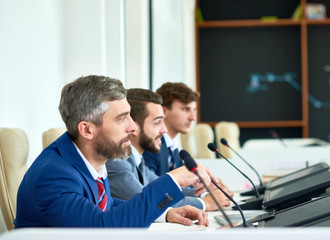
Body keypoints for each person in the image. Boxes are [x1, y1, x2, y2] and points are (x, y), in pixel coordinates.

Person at [14, 75, 216, 228]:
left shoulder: (88, 160)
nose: (133, 127)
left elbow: (108, 205)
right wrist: (173, 180)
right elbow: (103, 227)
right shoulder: (53, 175)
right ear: (86, 129)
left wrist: (166, 213)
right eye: (122, 118)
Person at [106, 88, 231, 211]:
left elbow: (159, 188)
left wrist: (206, 194)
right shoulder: (116, 161)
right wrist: (204, 203)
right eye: (157, 122)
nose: (164, 130)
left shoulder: (137, 159)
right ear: (134, 126)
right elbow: (145, 201)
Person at [142, 82, 199, 176]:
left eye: (194, 110)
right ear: (164, 111)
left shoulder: (173, 148)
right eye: (185, 109)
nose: (193, 117)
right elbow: (150, 186)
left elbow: (187, 183)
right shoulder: (152, 146)